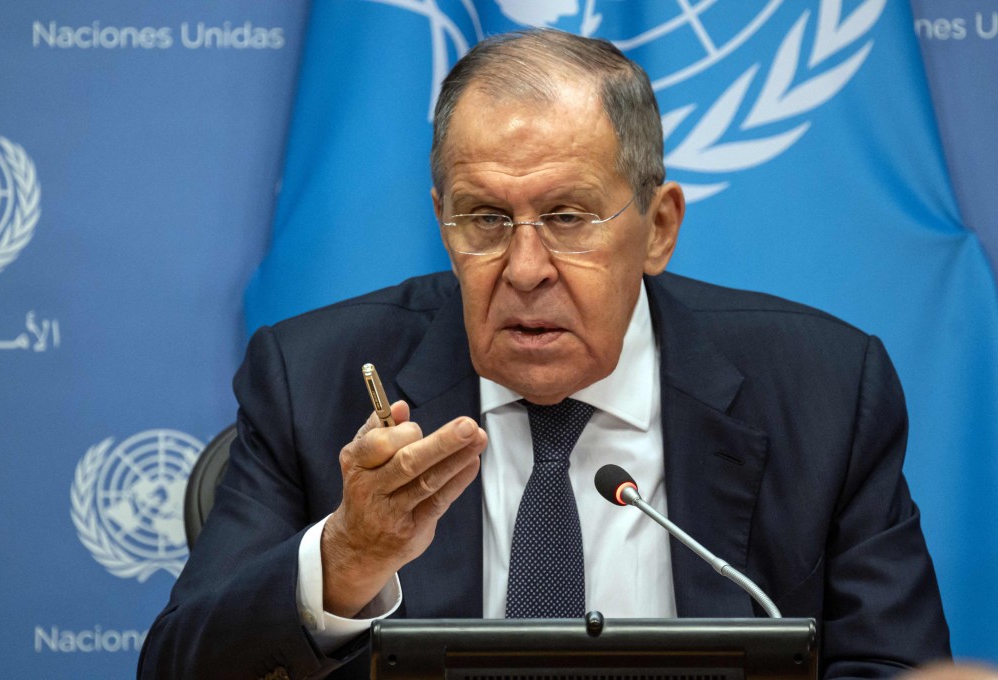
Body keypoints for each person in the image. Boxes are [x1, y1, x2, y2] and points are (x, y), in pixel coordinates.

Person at [138, 29, 949, 680]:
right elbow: (179, 668)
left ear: (659, 227)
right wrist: (348, 559)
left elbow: (893, 665)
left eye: (568, 217)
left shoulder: (822, 391)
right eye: (485, 219)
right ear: (443, 222)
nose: (525, 270)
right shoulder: (311, 380)